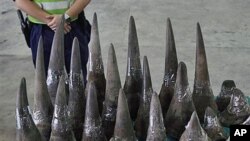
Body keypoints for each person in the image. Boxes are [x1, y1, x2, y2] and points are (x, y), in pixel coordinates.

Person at [15, 0, 91, 83]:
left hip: (72, 26)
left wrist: (65, 17)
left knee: (77, 79)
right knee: (49, 80)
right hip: (42, 29)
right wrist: (50, 21)